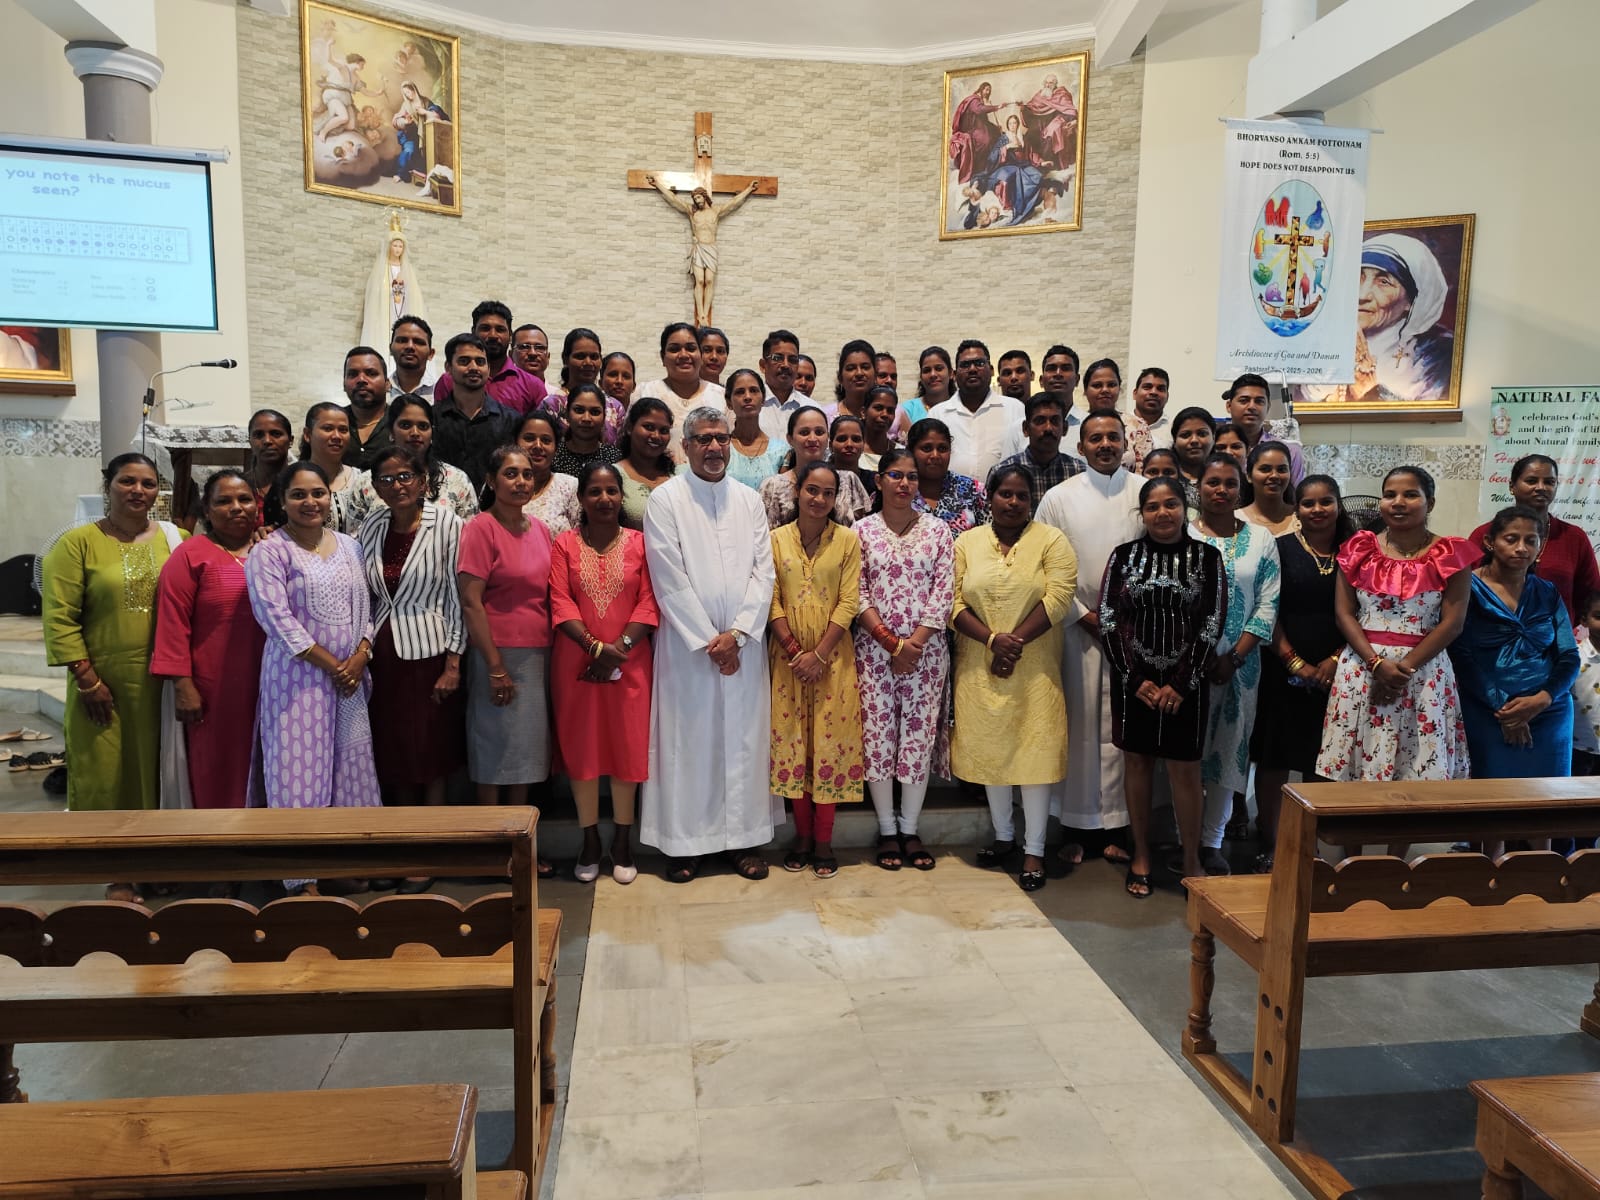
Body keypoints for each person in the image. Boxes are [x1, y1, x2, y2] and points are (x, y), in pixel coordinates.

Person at [643, 406, 778, 883]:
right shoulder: (666, 500)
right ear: (685, 446)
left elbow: (764, 572)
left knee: (743, 742)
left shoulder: (749, 500)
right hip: (689, 650)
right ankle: (687, 843)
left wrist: (738, 635)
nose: (714, 447)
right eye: (703, 439)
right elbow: (668, 576)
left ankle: (743, 840)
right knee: (690, 741)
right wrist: (710, 641)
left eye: (721, 437)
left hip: (743, 645)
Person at [245, 462, 380, 893]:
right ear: (281, 502)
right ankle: (302, 879)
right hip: (296, 681)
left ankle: (347, 863)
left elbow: (368, 608)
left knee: (350, 769)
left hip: (349, 682)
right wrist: (332, 664)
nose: (310, 502)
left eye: (318, 493)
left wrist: (360, 655)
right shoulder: (271, 552)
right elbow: (276, 618)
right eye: (298, 495)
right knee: (298, 774)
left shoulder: (351, 546)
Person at [42, 454, 184, 849]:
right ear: (108, 486)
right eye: (127, 481)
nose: (138, 490)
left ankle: (154, 855)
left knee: (156, 767)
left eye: (148, 483)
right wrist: (87, 680)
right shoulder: (78, 544)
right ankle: (106, 862)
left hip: (162, 684)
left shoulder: (177, 539)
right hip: (101, 684)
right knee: (103, 771)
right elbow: (59, 617)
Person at [952, 464, 1077, 891]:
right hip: (979, 665)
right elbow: (952, 602)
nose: (1013, 502)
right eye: (1005, 493)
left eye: (1022, 495)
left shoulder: (1052, 541)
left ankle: (1034, 849)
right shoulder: (967, 542)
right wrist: (993, 642)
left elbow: (1059, 597)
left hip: (1036, 669)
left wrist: (1013, 644)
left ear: (1031, 501)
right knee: (992, 751)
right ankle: (1004, 836)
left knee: (1033, 757)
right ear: (989, 497)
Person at [1101, 477, 1227, 895]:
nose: (1162, 513)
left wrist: (1182, 683)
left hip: (1186, 686)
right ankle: (1140, 855)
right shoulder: (1124, 556)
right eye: (1152, 506)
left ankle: (1190, 859)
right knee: (1136, 764)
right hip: (1134, 683)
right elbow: (1109, 619)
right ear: (1142, 514)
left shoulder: (1206, 558)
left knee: (1185, 770)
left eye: (1170, 504)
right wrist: (1133, 678)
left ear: (1185, 508)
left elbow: (1212, 622)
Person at [1316, 466, 1472, 789]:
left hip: (1423, 672)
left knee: (1417, 773)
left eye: (1410, 495)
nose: (1398, 502)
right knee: (1353, 774)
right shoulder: (1358, 548)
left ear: (1430, 502)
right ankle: (1353, 827)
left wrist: (1402, 671)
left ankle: (1405, 827)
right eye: (1390, 495)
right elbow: (1344, 614)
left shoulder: (1450, 554)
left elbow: (1453, 624)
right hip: (1362, 668)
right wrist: (1376, 664)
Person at [1036, 410, 1144, 865]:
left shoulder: (1144, 493)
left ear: (1125, 443)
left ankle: (1119, 828)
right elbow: (1043, 566)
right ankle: (1074, 829)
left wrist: (1124, 623)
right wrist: (1085, 617)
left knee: (1123, 732)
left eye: (1112, 437)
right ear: (1079, 447)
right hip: (1076, 629)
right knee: (1077, 728)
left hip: (1133, 634)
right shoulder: (1058, 498)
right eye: (1095, 438)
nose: (1105, 445)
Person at [551, 463, 659, 885]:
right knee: (583, 749)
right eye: (594, 492)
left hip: (631, 666)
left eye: (612, 490)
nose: (604, 499)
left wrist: (618, 651)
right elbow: (560, 601)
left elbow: (649, 602)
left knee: (627, 748)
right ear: (581, 498)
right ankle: (590, 839)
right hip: (576, 665)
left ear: (622, 496)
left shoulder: (641, 544)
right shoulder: (564, 544)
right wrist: (596, 649)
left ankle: (623, 841)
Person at [855, 448, 953, 872]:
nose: (904, 483)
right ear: (879, 481)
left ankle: (910, 829)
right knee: (877, 737)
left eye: (911, 477)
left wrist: (914, 644)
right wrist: (892, 645)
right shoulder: (860, 531)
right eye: (895, 475)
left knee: (917, 738)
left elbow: (944, 590)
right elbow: (856, 591)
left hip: (925, 656)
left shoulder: (938, 531)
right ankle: (886, 829)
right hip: (873, 654)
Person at [357, 448, 467, 826]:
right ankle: (402, 836)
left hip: (429, 656)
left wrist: (453, 664)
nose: (397, 485)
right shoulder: (373, 524)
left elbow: (457, 596)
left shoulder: (448, 524)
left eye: (405, 476)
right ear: (375, 487)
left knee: (431, 750)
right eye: (386, 479)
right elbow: (365, 592)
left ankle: (432, 839)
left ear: (422, 482)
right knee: (394, 750)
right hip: (383, 658)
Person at [1250, 476, 1353, 871]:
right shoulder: (1279, 548)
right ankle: (1274, 845)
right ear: (1297, 508)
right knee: (1275, 759)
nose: (1317, 509)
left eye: (1326, 501)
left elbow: (1365, 612)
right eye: (1308, 503)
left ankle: (1310, 847)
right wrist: (1293, 660)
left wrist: (1335, 659)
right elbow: (1266, 607)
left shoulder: (1356, 550)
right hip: (1281, 668)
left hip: (1338, 672)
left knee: (1321, 762)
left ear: (1339, 505)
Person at [768, 462, 864, 880]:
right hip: (786, 661)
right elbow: (770, 597)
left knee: (828, 747)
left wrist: (819, 654)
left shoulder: (847, 540)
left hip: (833, 660)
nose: (819, 499)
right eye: (812, 490)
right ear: (798, 492)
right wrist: (795, 651)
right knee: (793, 746)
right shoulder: (775, 539)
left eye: (828, 492)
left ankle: (824, 840)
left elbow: (849, 601)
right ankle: (802, 837)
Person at [151, 469, 264, 811]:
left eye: (244, 499)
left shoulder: (272, 549)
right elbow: (172, 623)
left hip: (271, 683)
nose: (236, 507)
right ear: (207, 509)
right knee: (217, 764)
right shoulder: (191, 555)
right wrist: (182, 685)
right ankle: (220, 837)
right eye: (224, 501)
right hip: (214, 687)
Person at [1190, 455, 1281, 875]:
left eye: (1229, 483)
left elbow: (1268, 604)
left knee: (1230, 753)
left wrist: (1235, 656)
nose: (1221, 490)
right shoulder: (1183, 533)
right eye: (1213, 482)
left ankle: (1212, 842)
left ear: (1240, 489)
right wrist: (1197, 656)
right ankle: (1185, 838)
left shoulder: (1261, 539)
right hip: (1187, 666)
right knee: (1187, 755)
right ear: (1198, 487)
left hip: (1242, 668)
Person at [457, 447, 555, 839]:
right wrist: (495, 666)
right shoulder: (481, 528)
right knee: (493, 746)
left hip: (537, 652)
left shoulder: (541, 529)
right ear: (491, 480)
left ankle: (519, 841)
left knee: (525, 750)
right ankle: (490, 842)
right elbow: (471, 601)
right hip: (495, 652)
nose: (521, 482)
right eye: (511, 474)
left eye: (527, 474)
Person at [1450, 506, 1578, 799]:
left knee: (1548, 801)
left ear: (1540, 546)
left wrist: (1543, 699)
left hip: (1550, 711)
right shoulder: (1467, 588)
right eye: (1511, 539)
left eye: (1531, 540)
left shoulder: (1547, 591)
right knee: (1492, 801)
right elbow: (1460, 655)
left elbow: (1569, 655)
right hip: (1487, 709)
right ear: (1490, 542)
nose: (1521, 548)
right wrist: (1506, 709)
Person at [1296, 233, 1456, 405]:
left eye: (1384, 282)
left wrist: (1371, 391)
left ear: (1412, 301)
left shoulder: (1436, 354)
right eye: (1359, 278)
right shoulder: (1323, 342)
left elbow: (1431, 414)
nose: (1362, 295)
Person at [1469, 455, 1600, 629]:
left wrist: (1558, 628)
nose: (1541, 487)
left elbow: (1590, 598)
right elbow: (1465, 591)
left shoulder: (1575, 537)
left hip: (1554, 638)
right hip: (1492, 637)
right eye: (1531, 481)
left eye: (1549, 482)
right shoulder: (1485, 534)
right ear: (1512, 486)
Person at [346, 396, 478, 527]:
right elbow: (354, 537)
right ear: (391, 431)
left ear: (432, 432)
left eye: (423, 426)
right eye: (405, 425)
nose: (415, 432)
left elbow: (471, 534)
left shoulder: (457, 480)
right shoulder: (366, 482)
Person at [929, 339, 1025, 480]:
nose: (972, 369)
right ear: (954, 374)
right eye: (965, 365)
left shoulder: (1015, 408)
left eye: (979, 363)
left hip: (1002, 493)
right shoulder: (937, 414)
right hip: (950, 494)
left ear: (991, 370)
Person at [759, 406, 871, 527]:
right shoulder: (772, 486)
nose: (812, 439)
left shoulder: (848, 480)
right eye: (804, 433)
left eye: (819, 432)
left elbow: (863, 530)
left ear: (827, 438)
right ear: (790, 439)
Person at [432, 300, 547, 416]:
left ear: (510, 335)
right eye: (485, 328)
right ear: (473, 332)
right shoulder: (449, 380)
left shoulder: (533, 386)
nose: (493, 335)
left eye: (500, 330)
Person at [432, 333, 514, 489]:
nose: (474, 367)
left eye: (480, 362)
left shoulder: (510, 420)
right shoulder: (431, 419)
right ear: (448, 367)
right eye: (464, 361)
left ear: (488, 369)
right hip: (442, 501)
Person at [639, 321, 724, 447]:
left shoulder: (722, 397)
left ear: (701, 355)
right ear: (663, 357)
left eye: (691, 348)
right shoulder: (645, 392)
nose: (684, 355)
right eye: (674, 349)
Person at [994, 391, 1084, 508]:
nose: (1048, 428)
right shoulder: (1002, 473)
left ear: (1065, 428)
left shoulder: (1079, 473)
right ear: (1026, 429)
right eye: (1040, 421)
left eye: (1055, 421)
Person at [909, 417, 988, 533]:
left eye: (942, 448)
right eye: (927, 448)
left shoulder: (974, 490)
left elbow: (990, 536)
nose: (935, 455)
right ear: (910, 451)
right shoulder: (900, 491)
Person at [548, 328, 626, 445]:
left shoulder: (615, 407)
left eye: (594, 357)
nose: (588, 363)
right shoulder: (552, 405)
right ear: (565, 359)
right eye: (580, 356)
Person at [1224, 373, 1305, 485]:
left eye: (1259, 401)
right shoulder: (1216, 449)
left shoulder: (1291, 453)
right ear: (1229, 406)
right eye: (1244, 400)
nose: (1252, 407)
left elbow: (1297, 495)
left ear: (1268, 407)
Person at [514, 411, 582, 538]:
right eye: (529, 438)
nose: (538, 446)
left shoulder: (570, 486)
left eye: (546, 440)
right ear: (515, 442)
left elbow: (581, 539)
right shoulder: (502, 483)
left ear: (556, 448)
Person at [617, 398, 679, 530]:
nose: (656, 436)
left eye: (664, 430)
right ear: (629, 428)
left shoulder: (679, 475)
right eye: (649, 427)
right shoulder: (614, 476)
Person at [299, 403, 360, 533]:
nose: (337, 436)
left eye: (343, 430)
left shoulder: (360, 480)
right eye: (328, 429)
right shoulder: (290, 478)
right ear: (308, 434)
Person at [725, 367, 786, 488]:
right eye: (740, 392)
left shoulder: (781, 451)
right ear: (729, 402)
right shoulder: (722, 449)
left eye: (753, 390)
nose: (747, 397)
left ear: (763, 399)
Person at [340, 346, 395, 471]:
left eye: (371, 373)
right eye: (353, 374)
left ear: (387, 384)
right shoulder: (332, 423)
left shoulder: (400, 422)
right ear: (344, 384)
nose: (361, 380)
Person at [553, 383, 623, 478]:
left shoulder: (615, 459)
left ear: (604, 417)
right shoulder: (553, 456)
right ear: (567, 415)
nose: (586, 418)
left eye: (595, 412)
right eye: (579, 410)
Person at [243, 409, 294, 528]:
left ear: (290, 440)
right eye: (258, 435)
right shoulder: (241, 485)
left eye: (276, 434)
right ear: (250, 442)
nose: (267, 441)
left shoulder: (302, 482)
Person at [1240, 442, 1298, 536]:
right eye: (1265, 469)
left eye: (1281, 470)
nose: (1274, 475)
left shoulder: (1303, 519)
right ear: (1249, 476)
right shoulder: (1235, 520)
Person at [1122, 367, 1172, 473]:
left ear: (1167, 397)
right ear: (1135, 393)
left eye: (1160, 389)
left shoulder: (1173, 430)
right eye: (1147, 387)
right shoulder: (1120, 423)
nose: (1153, 392)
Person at [758, 329, 805, 440]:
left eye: (792, 359)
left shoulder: (810, 407)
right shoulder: (749, 407)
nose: (785, 365)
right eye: (777, 358)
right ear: (763, 365)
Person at [1170, 406, 1216, 509]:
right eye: (1185, 435)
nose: (1194, 440)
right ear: (1174, 440)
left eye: (1202, 434)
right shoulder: (1167, 476)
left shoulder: (1226, 475)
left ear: (1213, 438)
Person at [389, 315, 438, 401]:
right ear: (390, 349)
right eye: (402, 340)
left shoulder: (439, 393)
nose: (410, 346)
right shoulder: (379, 391)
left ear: (431, 354)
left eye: (418, 342)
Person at [828, 413, 877, 498]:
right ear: (830, 445)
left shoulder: (874, 481)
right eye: (842, 439)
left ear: (863, 445)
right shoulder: (820, 478)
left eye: (856, 439)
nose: (849, 444)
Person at [906, 345, 954, 427]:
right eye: (927, 370)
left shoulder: (961, 408)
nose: (933, 374)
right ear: (921, 377)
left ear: (951, 373)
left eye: (939, 368)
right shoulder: (907, 410)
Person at [832, 338, 877, 423]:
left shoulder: (893, 415)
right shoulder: (825, 416)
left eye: (865, 367)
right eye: (851, 368)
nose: (859, 373)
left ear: (875, 374)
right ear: (840, 378)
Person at [860, 386, 900, 473]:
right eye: (878, 408)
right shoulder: (852, 450)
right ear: (863, 412)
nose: (885, 414)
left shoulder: (901, 453)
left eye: (890, 410)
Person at [600, 351, 637, 441]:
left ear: (634, 386)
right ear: (600, 383)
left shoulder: (639, 416)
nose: (619, 381)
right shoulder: (593, 413)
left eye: (626, 376)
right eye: (613, 375)